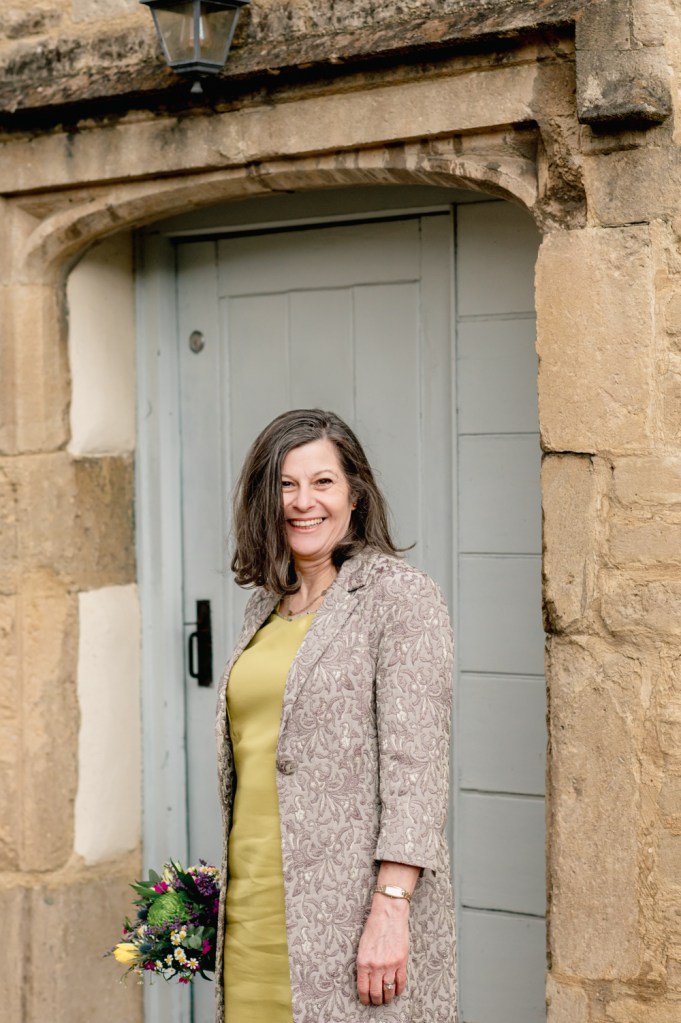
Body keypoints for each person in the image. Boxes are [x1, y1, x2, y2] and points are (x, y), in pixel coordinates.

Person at [214, 409, 457, 1023]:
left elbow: (417, 771)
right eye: (286, 485)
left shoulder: (398, 597)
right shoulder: (261, 608)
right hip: (254, 912)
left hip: (350, 918)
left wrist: (392, 906)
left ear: (355, 494)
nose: (303, 502)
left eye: (322, 482)